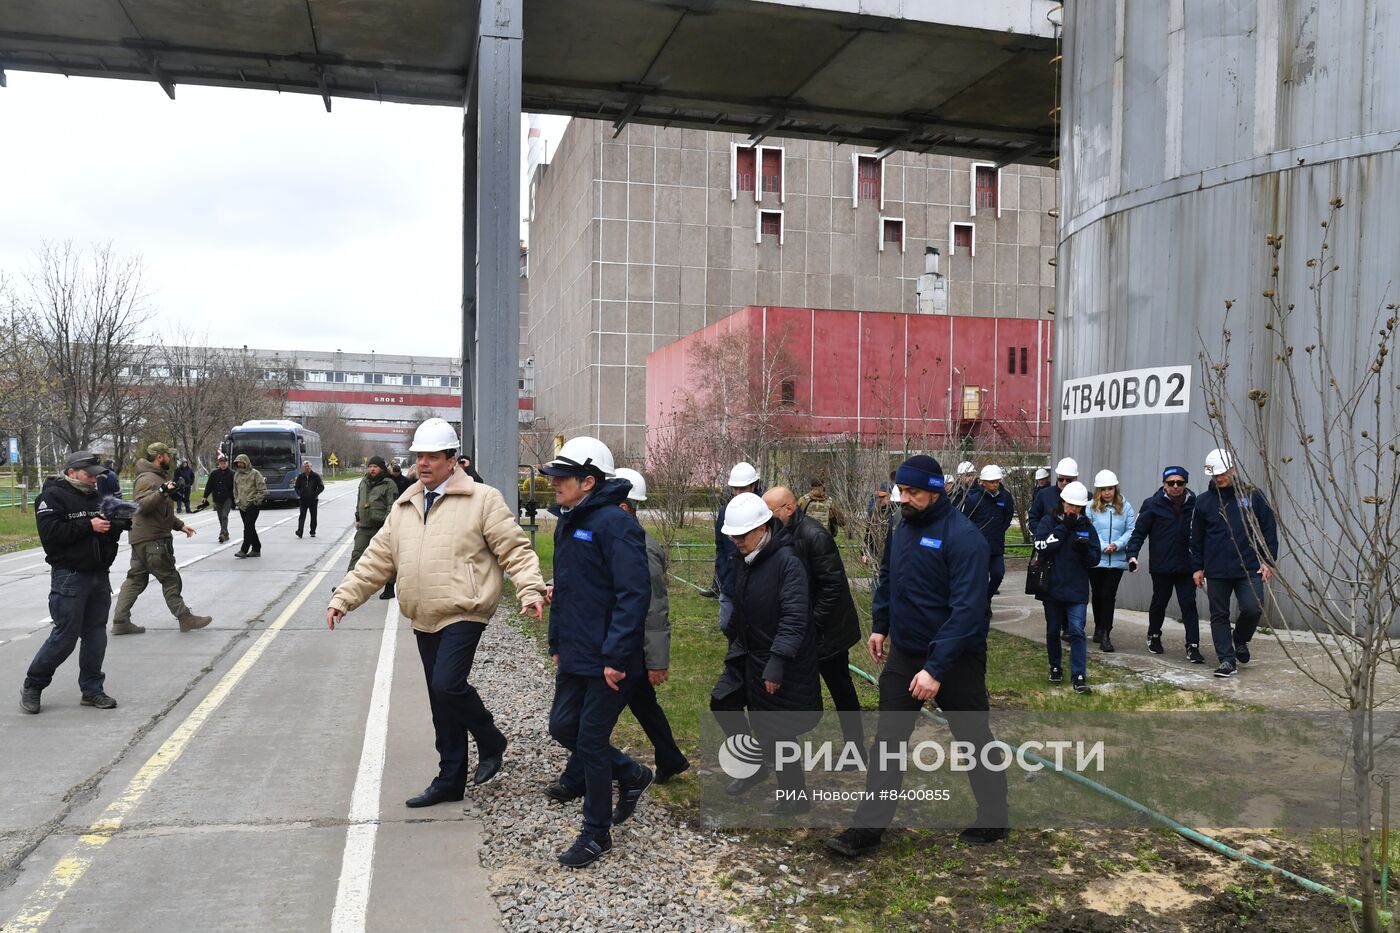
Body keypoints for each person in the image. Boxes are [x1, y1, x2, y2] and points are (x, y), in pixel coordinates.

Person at [327, 418, 545, 808]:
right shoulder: (405, 504)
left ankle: (492, 739)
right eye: (418, 456)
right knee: (439, 700)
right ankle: (450, 779)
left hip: (465, 610)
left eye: (432, 456)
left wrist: (530, 590)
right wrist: (344, 598)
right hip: (423, 615)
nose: (423, 463)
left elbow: (515, 549)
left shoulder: (483, 499)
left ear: (453, 460)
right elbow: (376, 559)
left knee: (447, 685)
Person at [824, 455, 1007, 859]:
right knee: (889, 737)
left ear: (936, 491)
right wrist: (880, 624)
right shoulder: (901, 527)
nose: (903, 499)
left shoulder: (964, 539)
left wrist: (936, 669)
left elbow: (967, 611)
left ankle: (995, 814)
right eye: (901, 491)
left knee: (973, 737)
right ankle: (868, 827)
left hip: (956, 657)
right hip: (907, 652)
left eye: (913, 493)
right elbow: (890, 579)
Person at [539, 436, 653, 868]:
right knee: (562, 726)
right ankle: (632, 773)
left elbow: (633, 594)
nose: (554, 483)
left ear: (589, 481)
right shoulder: (570, 520)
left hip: (609, 658)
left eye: (562, 476)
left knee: (589, 738)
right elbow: (566, 588)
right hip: (576, 652)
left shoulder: (615, 524)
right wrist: (556, 642)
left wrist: (617, 657)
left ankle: (595, 833)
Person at [546, 467, 689, 803]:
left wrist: (656, 660)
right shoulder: (595, 530)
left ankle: (592, 782)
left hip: (625, 648)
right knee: (596, 723)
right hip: (613, 644)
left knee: (599, 726)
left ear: (625, 507)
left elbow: (652, 608)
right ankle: (659, 761)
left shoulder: (637, 544)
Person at [712, 492, 819, 814]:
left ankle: (794, 797)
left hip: (777, 657)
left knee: (777, 728)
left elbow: (795, 616)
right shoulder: (746, 557)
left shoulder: (788, 562)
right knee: (723, 702)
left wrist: (777, 662)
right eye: (731, 537)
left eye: (741, 536)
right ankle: (754, 765)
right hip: (748, 651)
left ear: (762, 528)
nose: (735, 542)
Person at [20, 452, 126, 714]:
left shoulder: (98, 496)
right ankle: (33, 684)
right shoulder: (51, 496)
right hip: (69, 575)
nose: (93, 478)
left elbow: (107, 531)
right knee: (65, 636)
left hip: (99, 574)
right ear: (71, 472)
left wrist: (115, 525)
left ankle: (92, 690)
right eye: (89, 474)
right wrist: (88, 525)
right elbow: (51, 535)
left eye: (96, 474)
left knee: (95, 636)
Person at [764, 485, 864, 753]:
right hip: (802, 628)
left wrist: (811, 625)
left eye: (769, 511)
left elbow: (832, 588)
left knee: (841, 688)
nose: (765, 517)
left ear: (789, 508)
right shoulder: (779, 532)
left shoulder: (814, 536)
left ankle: (855, 747)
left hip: (828, 632)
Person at [1190, 448, 1278, 679]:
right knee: (1219, 614)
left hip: (1248, 567)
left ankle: (1240, 639)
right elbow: (1196, 538)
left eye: (1223, 473)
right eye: (1215, 475)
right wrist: (1197, 567)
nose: (1219, 478)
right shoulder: (1203, 502)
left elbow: (1268, 528)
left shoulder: (1253, 496)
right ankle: (1227, 660)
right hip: (1216, 569)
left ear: (1233, 469)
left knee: (1253, 607)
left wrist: (1268, 561)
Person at [110, 442, 211, 635]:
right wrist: (162, 491)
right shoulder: (148, 479)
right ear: (159, 457)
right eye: (168, 455)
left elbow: (160, 510)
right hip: (152, 540)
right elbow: (141, 505)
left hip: (143, 538)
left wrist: (180, 525)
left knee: (136, 579)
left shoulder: (155, 478)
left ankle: (120, 620)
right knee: (170, 578)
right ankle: (185, 618)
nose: (171, 459)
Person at [1124, 466, 1204, 662]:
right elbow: (1138, 533)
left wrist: (1203, 563)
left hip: (1187, 565)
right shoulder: (1152, 504)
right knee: (1160, 602)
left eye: (1180, 483)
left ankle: (1193, 646)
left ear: (1185, 484)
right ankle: (1154, 635)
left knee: (1188, 604)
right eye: (1171, 483)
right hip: (1162, 565)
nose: (1175, 486)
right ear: (1164, 484)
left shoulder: (1195, 505)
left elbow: (1205, 534)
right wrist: (1132, 555)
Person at [1033, 481, 1101, 693]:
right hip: (1052, 588)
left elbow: (1095, 559)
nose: (1074, 509)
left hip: (1076, 590)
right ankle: (1055, 666)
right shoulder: (1049, 521)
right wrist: (1063, 528)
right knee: (1053, 631)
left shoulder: (1087, 527)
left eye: (1078, 506)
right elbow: (1042, 547)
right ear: (1062, 503)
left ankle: (1079, 675)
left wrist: (1083, 552)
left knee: (1076, 631)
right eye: (1070, 505)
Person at [1086, 469, 1136, 653]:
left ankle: (1106, 633)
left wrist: (1117, 545)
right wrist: (1102, 546)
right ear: (1098, 490)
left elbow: (1131, 530)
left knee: (1109, 596)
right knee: (1098, 595)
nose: (1108, 492)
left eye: (1111, 488)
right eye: (1104, 489)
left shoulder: (1126, 507)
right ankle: (1099, 627)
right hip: (1096, 560)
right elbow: (1088, 529)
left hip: (1116, 560)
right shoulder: (1090, 507)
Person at [961, 464, 1015, 622]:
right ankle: (982, 605)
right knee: (980, 578)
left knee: (998, 574)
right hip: (978, 547)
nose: (995, 484)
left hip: (996, 545)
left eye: (997, 481)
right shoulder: (973, 499)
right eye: (991, 482)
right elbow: (965, 520)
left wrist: (999, 530)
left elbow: (1008, 516)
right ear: (982, 482)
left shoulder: (1005, 498)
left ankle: (987, 598)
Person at [714, 462, 762, 636]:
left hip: (758, 583)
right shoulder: (724, 513)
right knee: (727, 625)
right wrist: (723, 572)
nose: (738, 493)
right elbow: (720, 546)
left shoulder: (763, 512)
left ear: (754, 486)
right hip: (730, 583)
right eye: (735, 489)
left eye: (743, 489)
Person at [352, 456, 401, 600]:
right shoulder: (364, 482)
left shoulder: (389, 483)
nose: (372, 469)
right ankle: (348, 586)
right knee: (357, 554)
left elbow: (392, 505)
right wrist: (358, 517)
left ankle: (389, 587)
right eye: (370, 466)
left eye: (375, 466)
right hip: (365, 527)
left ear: (382, 468)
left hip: (382, 527)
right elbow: (359, 500)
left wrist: (388, 523)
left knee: (386, 559)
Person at [232, 454, 268, 559]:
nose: (239, 464)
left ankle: (244, 549)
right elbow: (235, 489)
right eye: (238, 462)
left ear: (246, 462)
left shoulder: (255, 474)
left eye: (241, 462)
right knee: (250, 527)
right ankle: (256, 548)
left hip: (253, 504)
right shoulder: (237, 475)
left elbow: (262, 489)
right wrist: (236, 499)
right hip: (242, 504)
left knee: (248, 526)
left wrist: (257, 500)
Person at [1028, 457, 1079, 529]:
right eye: (1061, 479)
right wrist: (1042, 534)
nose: (1064, 482)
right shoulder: (1044, 495)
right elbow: (1033, 519)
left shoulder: (1085, 498)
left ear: (1075, 479)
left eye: (1068, 480)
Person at [202, 455, 236, 544]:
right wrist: (205, 496)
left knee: (224, 515)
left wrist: (236, 497)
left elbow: (236, 487)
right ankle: (226, 533)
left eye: (224, 463)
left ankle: (222, 533)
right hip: (217, 498)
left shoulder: (232, 473)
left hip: (228, 498)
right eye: (221, 463)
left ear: (227, 463)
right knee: (220, 517)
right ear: (219, 464)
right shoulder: (214, 474)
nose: (223, 465)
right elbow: (209, 485)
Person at [293, 460, 325, 538]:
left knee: (313, 516)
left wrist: (315, 494)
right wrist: (300, 494)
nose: (307, 468)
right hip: (303, 500)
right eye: (305, 467)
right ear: (303, 468)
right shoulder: (301, 476)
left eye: (308, 466)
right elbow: (296, 487)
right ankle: (300, 531)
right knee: (302, 516)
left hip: (313, 500)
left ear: (311, 467)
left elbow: (321, 486)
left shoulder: (316, 476)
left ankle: (312, 531)